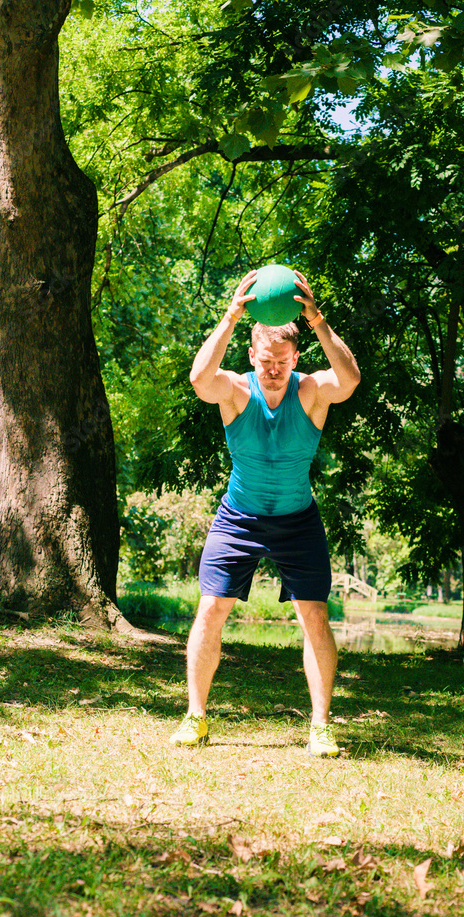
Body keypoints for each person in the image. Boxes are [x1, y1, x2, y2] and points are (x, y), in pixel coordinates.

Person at [170, 269, 360, 756]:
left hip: (298, 519)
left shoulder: (312, 390)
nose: (273, 368)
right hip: (239, 517)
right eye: (265, 360)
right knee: (211, 609)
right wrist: (232, 315)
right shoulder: (235, 390)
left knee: (315, 616)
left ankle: (320, 726)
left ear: (295, 357)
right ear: (251, 355)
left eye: (282, 360)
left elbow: (350, 379)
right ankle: (196, 717)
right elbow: (198, 379)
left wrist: (317, 319)